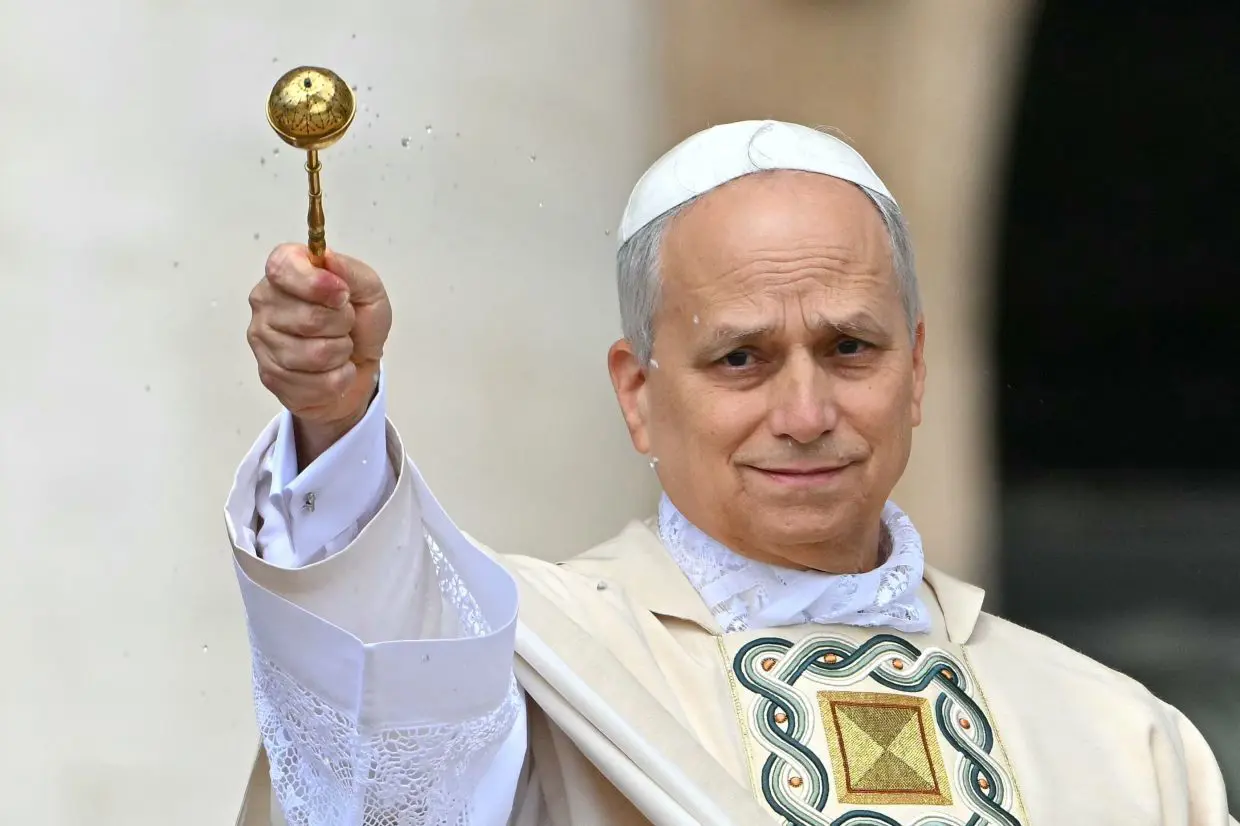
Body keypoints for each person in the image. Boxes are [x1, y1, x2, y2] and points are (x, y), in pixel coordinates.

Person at [226, 120, 1235, 826]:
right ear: (638, 394)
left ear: (917, 370)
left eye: (849, 349)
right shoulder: (532, 660)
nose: (804, 415)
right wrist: (336, 423)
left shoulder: (1119, 736)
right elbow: (379, 706)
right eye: (740, 358)